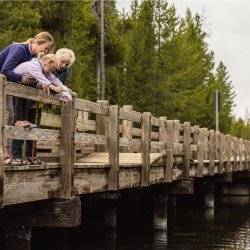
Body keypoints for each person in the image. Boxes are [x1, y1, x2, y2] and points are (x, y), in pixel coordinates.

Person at [0, 31, 55, 165]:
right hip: (2, 83)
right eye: (45, 48)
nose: (45, 51)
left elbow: (27, 76)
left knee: (12, 117)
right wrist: (22, 78)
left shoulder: (31, 56)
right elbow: (5, 70)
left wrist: (40, 84)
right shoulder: (20, 49)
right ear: (38, 42)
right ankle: (5, 154)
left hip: (8, 87)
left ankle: (7, 153)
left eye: (48, 50)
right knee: (7, 116)